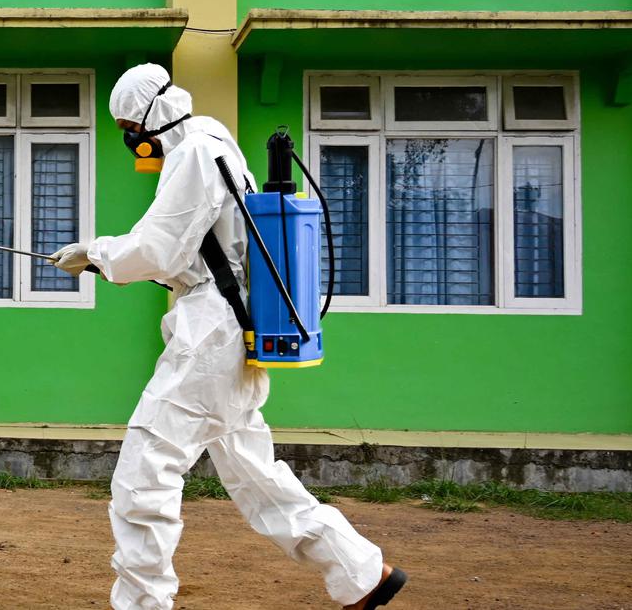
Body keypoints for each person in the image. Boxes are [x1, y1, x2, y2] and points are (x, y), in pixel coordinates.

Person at [51, 64, 406, 610]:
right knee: (256, 477)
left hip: (213, 332)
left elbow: (161, 248)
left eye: (129, 126)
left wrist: (94, 252)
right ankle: (361, 571)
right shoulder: (213, 142)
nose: (130, 140)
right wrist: (101, 259)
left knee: (144, 474)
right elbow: (188, 248)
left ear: (151, 116)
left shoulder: (193, 152)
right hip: (233, 322)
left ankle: (143, 604)